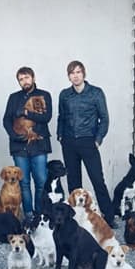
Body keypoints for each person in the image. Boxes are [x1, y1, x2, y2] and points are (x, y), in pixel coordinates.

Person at [57, 60, 116, 228]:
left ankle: (109, 217)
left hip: (88, 140)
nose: (75, 76)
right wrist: (60, 136)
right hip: (69, 142)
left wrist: (98, 140)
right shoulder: (64, 95)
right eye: (72, 73)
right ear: (69, 76)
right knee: (73, 181)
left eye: (78, 72)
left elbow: (104, 118)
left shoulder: (96, 93)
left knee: (97, 180)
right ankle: (75, 217)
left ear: (84, 74)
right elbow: (61, 116)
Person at [3, 66, 52, 219]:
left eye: (27, 78)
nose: (24, 81)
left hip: (39, 145)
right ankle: (29, 215)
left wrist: (26, 112)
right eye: (21, 79)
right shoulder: (13, 97)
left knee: (41, 181)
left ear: (33, 78)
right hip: (19, 146)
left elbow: (46, 117)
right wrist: (13, 135)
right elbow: (6, 120)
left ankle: (39, 214)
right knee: (23, 183)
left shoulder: (44, 95)